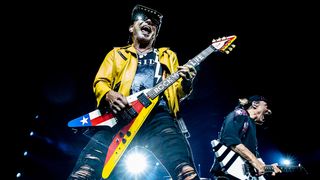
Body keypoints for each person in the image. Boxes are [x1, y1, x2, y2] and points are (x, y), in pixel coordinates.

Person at [68, 4, 200, 180]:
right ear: (131, 27)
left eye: (153, 23)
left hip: (158, 115)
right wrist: (109, 94)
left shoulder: (168, 55)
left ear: (155, 34)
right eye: (143, 19)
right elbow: (101, 82)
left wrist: (187, 82)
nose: (148, 22)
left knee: (185, 170)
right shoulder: (116, 54)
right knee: (84, 171)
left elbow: (176, 93)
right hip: (120, 115)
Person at [210, 95, 282, 180]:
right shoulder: (240, 114)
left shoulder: (252, 126)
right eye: (266, 106)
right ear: (255, 104)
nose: (269, 111)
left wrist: (267, 168)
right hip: (228, 174)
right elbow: (230, 140)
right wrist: (256, 163)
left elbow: (255, 157)